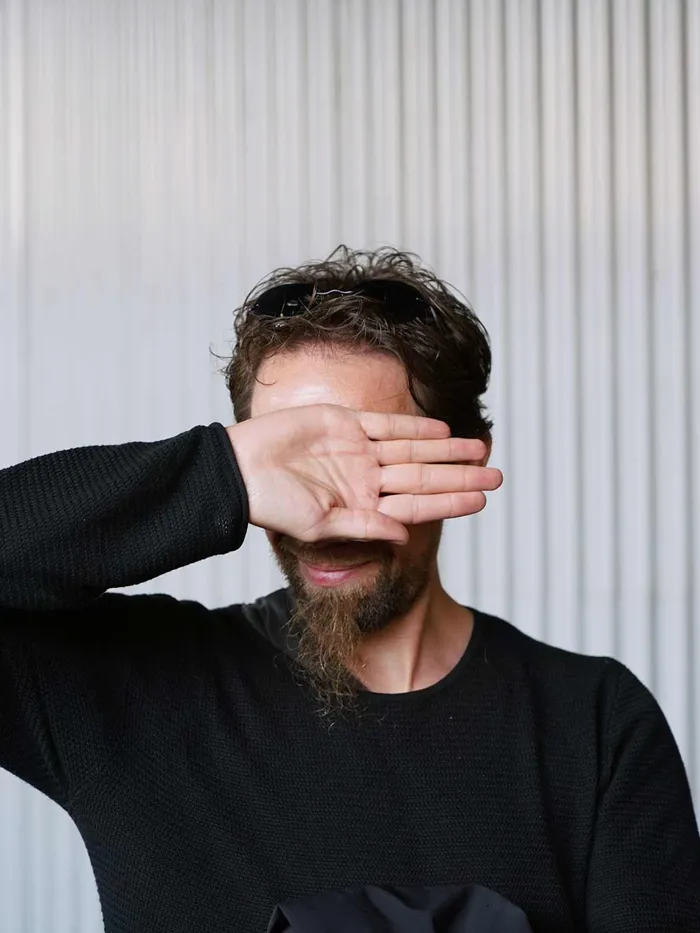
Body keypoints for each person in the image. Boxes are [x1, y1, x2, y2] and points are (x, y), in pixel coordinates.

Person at [1, 246, 698, 933]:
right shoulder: (126, 691)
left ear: (462, 458)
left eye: (372, 461)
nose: (324, 519)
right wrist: (217, 475)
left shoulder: (594, 723)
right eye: (292, 464)